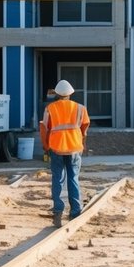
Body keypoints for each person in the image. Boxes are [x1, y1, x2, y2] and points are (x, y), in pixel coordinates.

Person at [39, 79, 90, 227]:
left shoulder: (50, 108)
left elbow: (44, 129)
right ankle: (75, 211)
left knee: (58, 179)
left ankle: (58, 211)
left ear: (57, 93)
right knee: (73, 178)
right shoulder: (80, 108)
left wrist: (45, 146)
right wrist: (83, 144)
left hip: (56, 148)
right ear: (70, 94)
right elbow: (85, 128)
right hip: (74, 147)